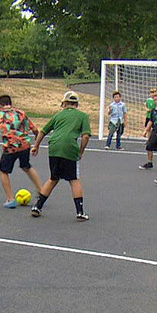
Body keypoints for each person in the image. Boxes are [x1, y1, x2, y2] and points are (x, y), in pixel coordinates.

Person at [30, 91, 91, 221]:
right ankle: (80, 211)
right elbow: (85, 136)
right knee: (74, 179)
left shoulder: (58, 115)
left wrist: (36, 146)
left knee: (53, 178)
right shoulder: (83, 116)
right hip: (69, 148)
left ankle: (37, 206)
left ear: (64, 103)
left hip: (54, 147)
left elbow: (43, 131)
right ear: (77, 104)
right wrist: (80, 151)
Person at [0, 95, 46, 209]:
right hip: (24, 145)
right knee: (27, 166)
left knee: (4, 171)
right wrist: (36, 141)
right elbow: (34, 129)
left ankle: (10, 198)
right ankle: (42, 191)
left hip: (10, 147)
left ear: (0, 105)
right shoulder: (21, 113)